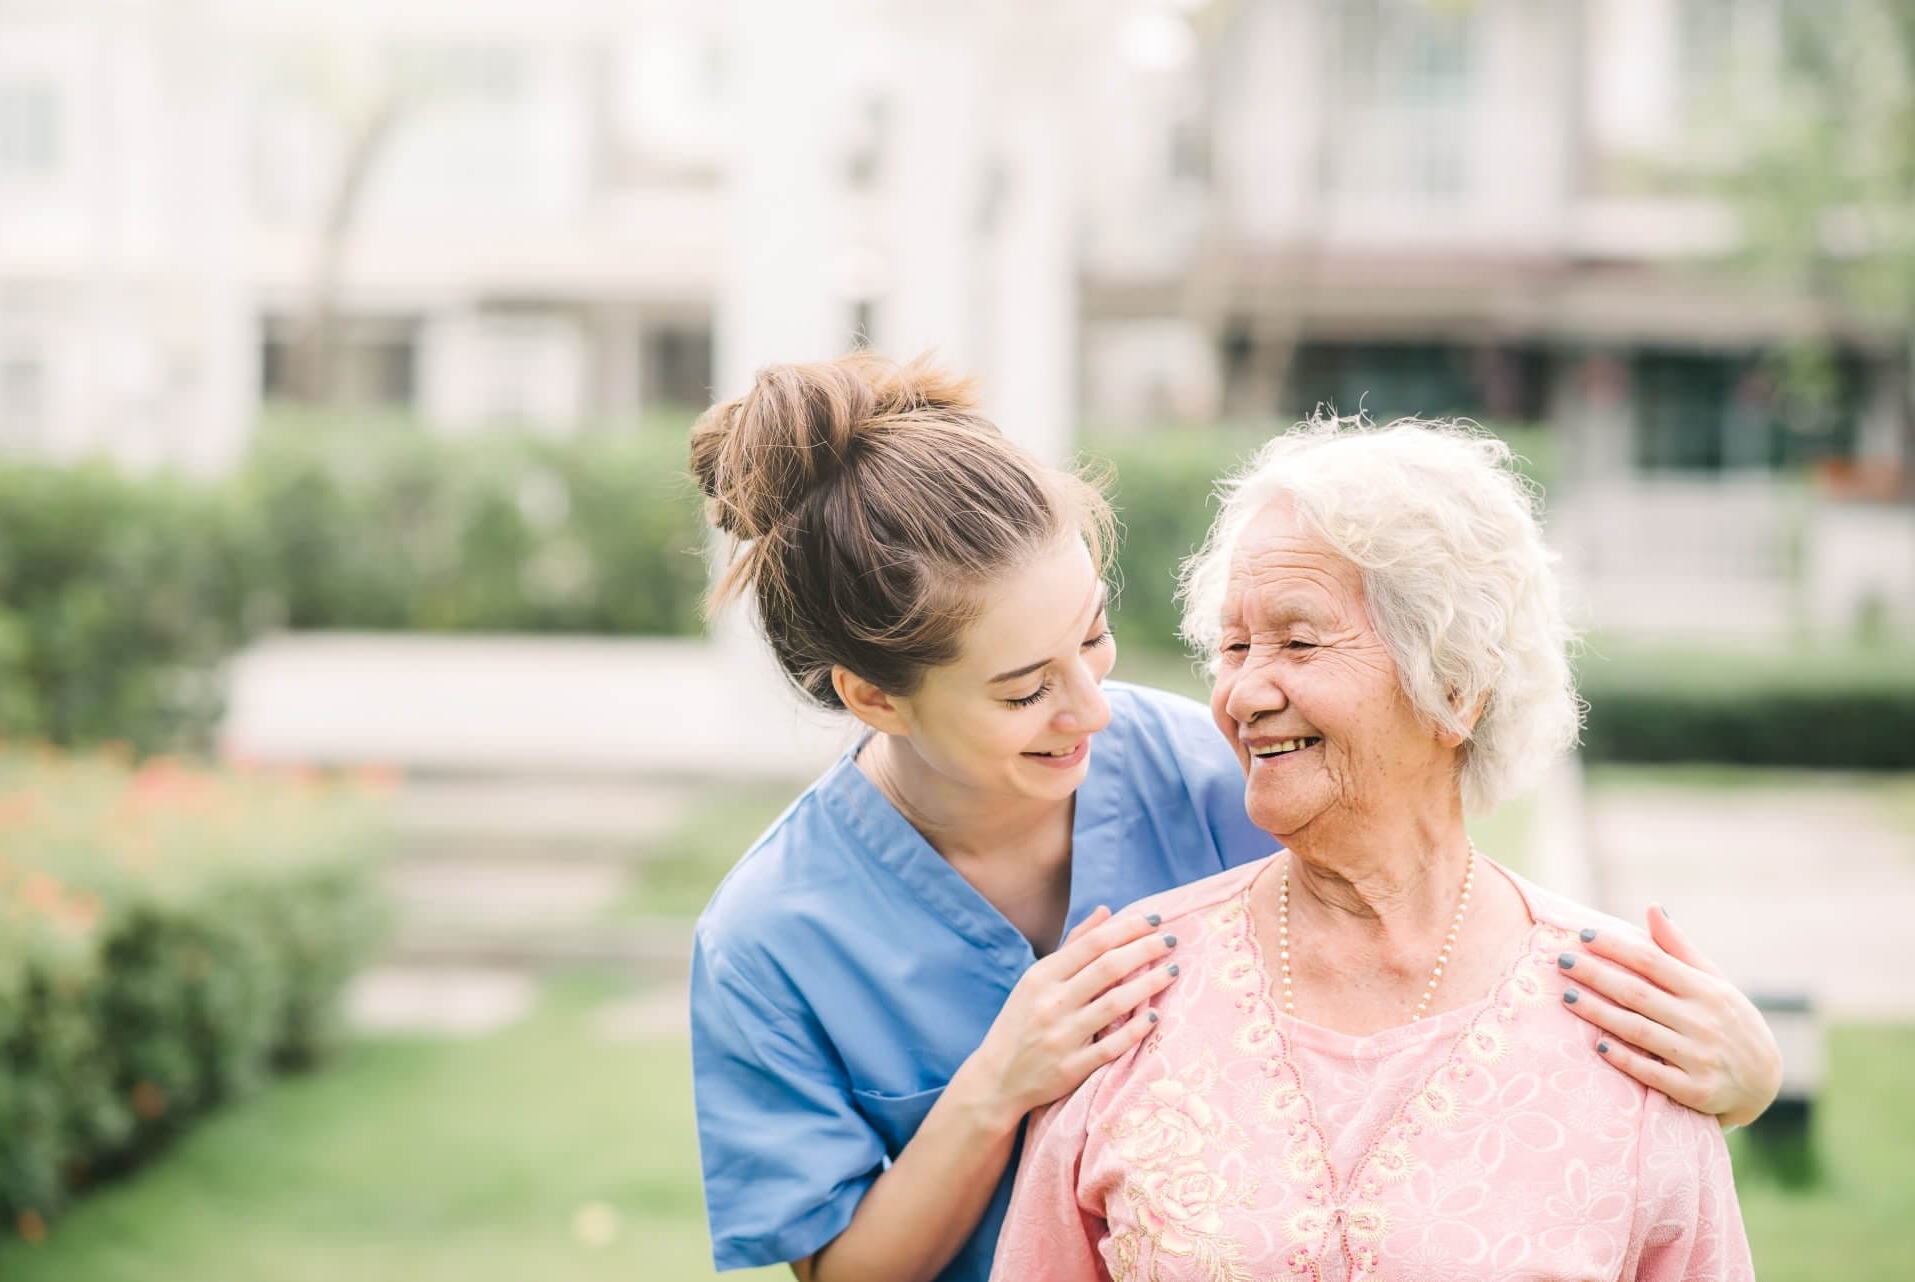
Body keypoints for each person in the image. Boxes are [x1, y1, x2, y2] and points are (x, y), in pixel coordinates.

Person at [686, 356, 1777, 1282]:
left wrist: (1737, 1075)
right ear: (874, 698)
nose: (1092, 706)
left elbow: (1416, 872)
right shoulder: (769, 938)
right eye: (1026, 690)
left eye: (1096, 635)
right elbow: (835, 1268)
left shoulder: (1212, 767)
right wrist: (998, 1081)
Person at [990, 417, 1754, 1281]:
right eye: (1234, 647)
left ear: (1456, 686)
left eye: (1299, 641)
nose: (1243, 691)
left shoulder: (1628, 1022)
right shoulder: (1133, 986)